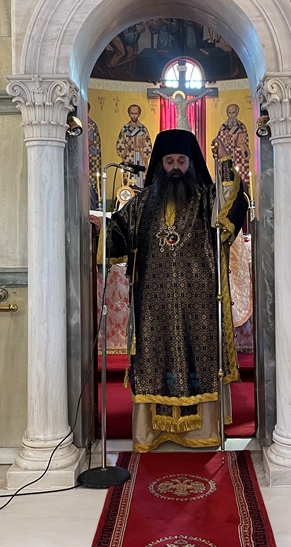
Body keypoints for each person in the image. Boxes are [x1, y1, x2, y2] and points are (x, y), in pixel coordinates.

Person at [104, 128, 248, 452]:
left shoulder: (206, 199)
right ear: (160, 163)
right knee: (153, 359)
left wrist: (225, 161)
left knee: (199, 357)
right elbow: (118, 235)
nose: (175, 168)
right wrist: (101, 228)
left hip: (199, 303)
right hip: (152, 306)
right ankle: (152, 432)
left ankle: (202, 432)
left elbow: (234, 202)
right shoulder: (143, 203)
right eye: (169, 161)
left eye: (181, 161)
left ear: (191, 163)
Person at [115, 104, 152, 187]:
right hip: (128, 160)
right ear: (129, 114)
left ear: (139, 114)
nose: (134, 116)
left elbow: (148, 147)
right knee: (128, 184)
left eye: (136, 113)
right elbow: (119, 147)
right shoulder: (124, 129)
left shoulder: (143, 129)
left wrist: (140, 150)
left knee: (141, 183)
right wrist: (127, 145)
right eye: (132, 113)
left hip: (140, 160)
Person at [214, 103, 250, 177]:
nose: (231, 115)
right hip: (227, 158)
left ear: (237, 113)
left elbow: (245, 143)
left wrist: (241, 146)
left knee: (241, 178)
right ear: (227, 114)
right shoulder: (223, 128)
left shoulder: (241, 127)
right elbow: (219, 144)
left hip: (239, 159)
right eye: (229, 113)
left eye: (233, 113)